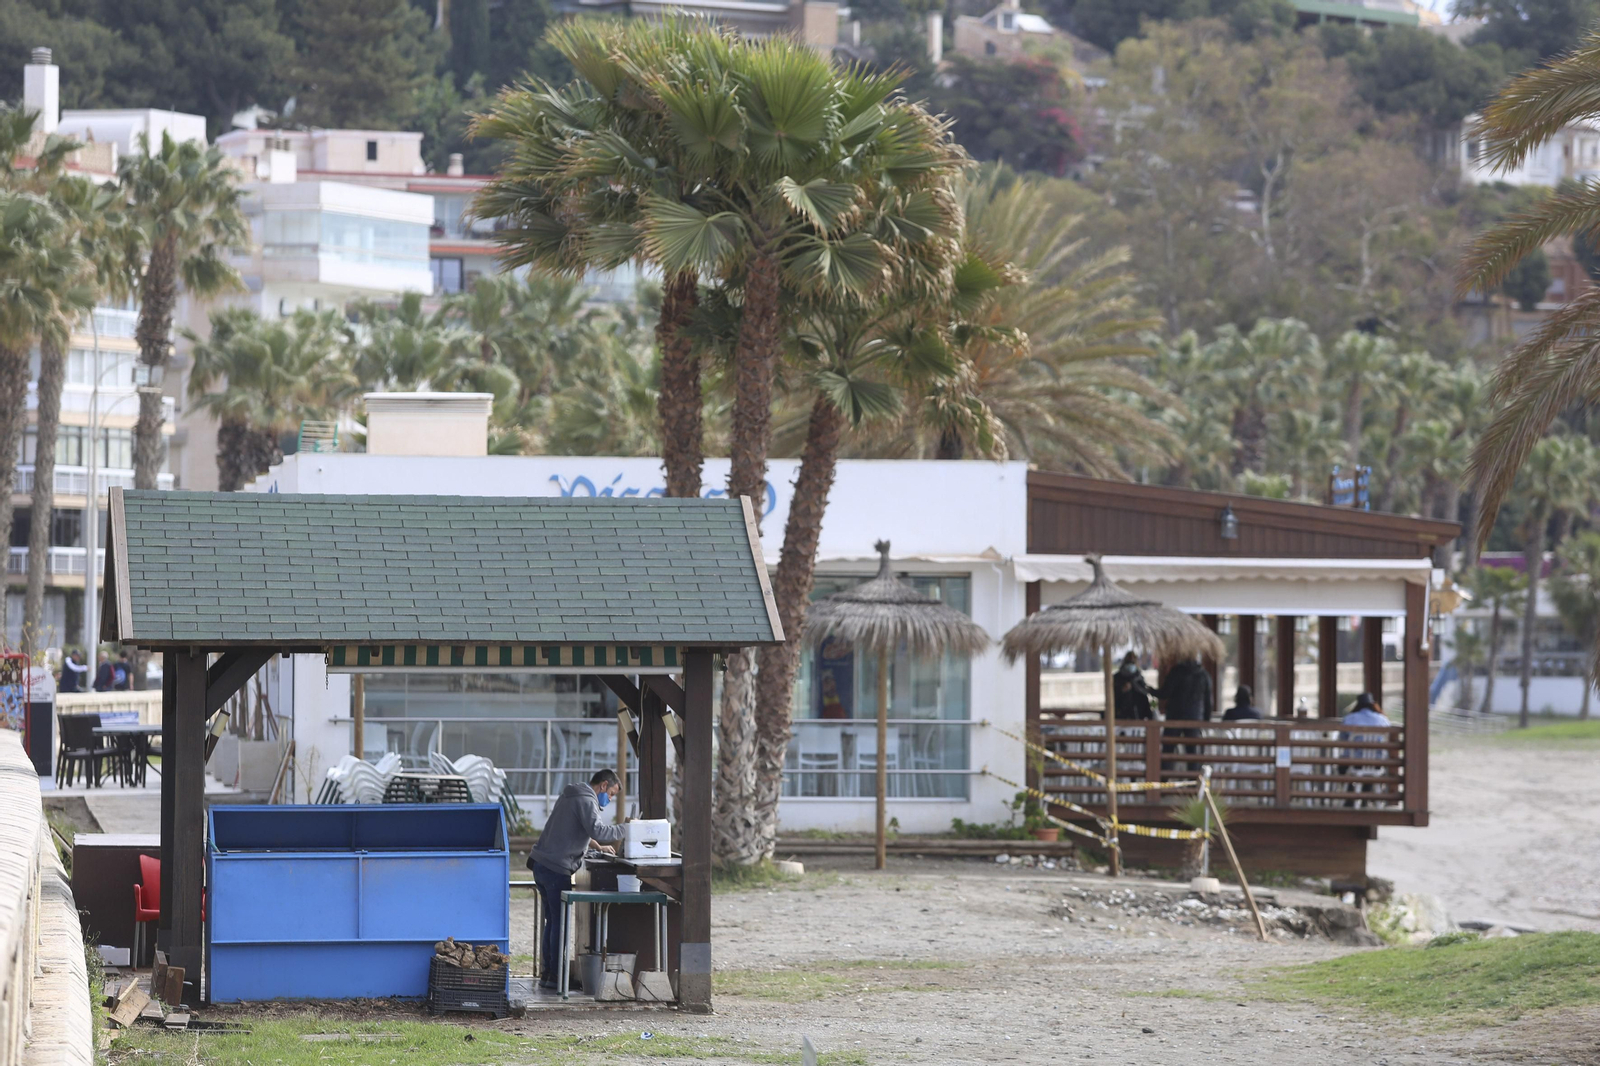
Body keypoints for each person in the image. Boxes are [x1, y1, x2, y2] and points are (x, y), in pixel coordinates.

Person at [528, 769, 627, 991]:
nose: (609, 799)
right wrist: (627, 828)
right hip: (556, 868)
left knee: (552, 923)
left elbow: (577, 828)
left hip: (541, 864)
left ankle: (548, 975)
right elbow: (598, 830)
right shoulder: (587, 800)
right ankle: (555, 976)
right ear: (603, 785)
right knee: (559, 925)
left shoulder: (572, 794)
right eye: (611, 794)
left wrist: (596, 846)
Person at [1152, 656, 1213, 772]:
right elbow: (1208, 702)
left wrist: (1149, 690)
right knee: (1193, 752)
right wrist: (1206, 720)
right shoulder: (1204, 674)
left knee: (1168, 750)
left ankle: (1164, 783)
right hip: (1195, 718)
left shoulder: (1176, 672)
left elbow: (1165, 693)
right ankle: (1193, 784)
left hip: (1175, 717)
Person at [1340, 693, 1391, 807]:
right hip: (1377, 762)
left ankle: (1350, 795)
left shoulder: (1350, 719)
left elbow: (1342, 739)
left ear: (1358, 705)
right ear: (1373, 704)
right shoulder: (1383, 719)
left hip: (1355, 762)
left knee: (1342, 767)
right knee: (1370, 772)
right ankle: (1366, 795)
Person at [1112, 652, 1154, 719]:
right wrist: (1122, 690)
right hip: (1121, 714)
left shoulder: (1139, 677)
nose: (1130, 665)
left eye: (1132, 662)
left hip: (1138, 714)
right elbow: (1112, 695)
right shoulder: (1117, 677)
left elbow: (1144, 694)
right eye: (1129, 662)